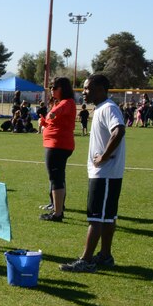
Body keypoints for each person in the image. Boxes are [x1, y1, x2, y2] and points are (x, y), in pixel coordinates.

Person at [61, 74, 126, 273]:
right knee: (107, 217)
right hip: (105, 173)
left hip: (105, 173)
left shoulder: (108, 108)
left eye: (87, 88)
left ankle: (86, 260)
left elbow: (119, 130)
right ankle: (105, 256)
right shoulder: (100, 109)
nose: (84, 92)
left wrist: (104, 157)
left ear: (100, 89)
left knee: (96, 217)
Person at [38, 77, 77, 221]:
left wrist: (52, 113)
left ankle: (57, 212)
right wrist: (45, 121)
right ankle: (57, 206)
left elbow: (58, 112)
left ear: (63, 89)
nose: (51, 90)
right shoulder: (61, 103)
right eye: (51, 87)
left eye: (54, 87)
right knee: (58, 177)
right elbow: (53, 120)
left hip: (58, 145)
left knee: (56, 177)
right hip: (57, 144)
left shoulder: (67, 102)